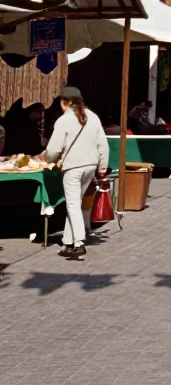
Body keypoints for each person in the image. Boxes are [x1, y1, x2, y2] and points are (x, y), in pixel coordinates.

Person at [42, 86, 108, 261]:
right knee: (75, 204)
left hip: (73, 167)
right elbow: (103, 143)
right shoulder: (93, 117)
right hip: (90, 165)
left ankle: (78, 242)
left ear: (66, 103)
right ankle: (68, 242)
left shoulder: (63, 121)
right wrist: (103, 165)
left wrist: (48, 160)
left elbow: (54, 149)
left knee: (72, 205)